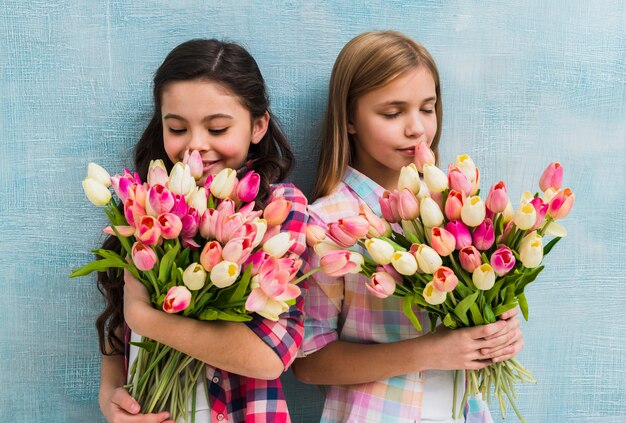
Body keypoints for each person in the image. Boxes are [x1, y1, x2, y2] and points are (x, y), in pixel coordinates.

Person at [291, 31, 524, 422]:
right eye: (392, 113)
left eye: (427, 109)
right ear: (349, 119)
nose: (417, 129)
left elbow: (472, 316)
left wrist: (497, 330)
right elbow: (311, 362)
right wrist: (433, 350)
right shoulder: (329, 223)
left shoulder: (454, 206)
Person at [96, 39, 308, 423]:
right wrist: (111, 396)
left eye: (217, 127)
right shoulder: (144, 205)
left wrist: (147, 319)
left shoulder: (277, 209)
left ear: (258, 125)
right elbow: (118, 330)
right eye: (177, 127)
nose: (196, 145)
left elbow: (269, 358)